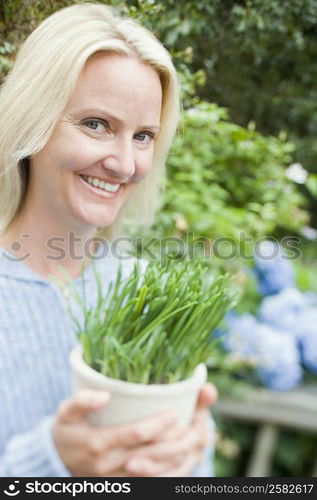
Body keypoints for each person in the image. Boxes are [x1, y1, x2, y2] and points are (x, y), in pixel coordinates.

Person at [0, 3, 217, 477]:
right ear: (32, 120)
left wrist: (192, 452)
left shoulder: (148, 292)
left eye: (143, 136)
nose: (124, 164)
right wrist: (50, 462)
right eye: (96, 125)